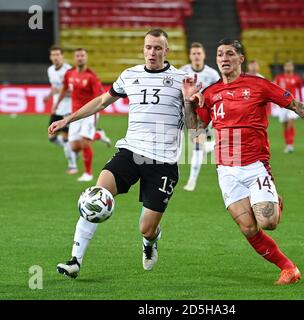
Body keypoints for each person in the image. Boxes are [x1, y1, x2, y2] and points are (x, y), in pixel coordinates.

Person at [48, 29, 201, 278]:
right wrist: (69, 118)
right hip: (130, 151)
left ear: (167, 51)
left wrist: (187, 100)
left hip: (163, 161)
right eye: (148, 47)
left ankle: (150, 243)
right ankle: (75, 260)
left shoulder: (182, 80)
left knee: (146, 228)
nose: (152, 52)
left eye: (158, 48)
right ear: (143, 49)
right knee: (95, 196)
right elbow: (100, 102)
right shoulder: (130, 75)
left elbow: (195, 129)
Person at [184, 39, 304, 285]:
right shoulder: (211, 93)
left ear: (240, 59)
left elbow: (293, 104)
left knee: (268, 222)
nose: (224, 58)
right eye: (220, 54)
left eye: (230, 53)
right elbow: (195, 131)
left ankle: (274, 200)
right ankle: (288, 268)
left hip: (255, 166)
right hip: (226, 170)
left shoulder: (258, 85)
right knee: (249, 228)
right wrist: (188, 102)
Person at [54, 48, 112, 182]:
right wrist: (57, 103)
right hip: (75, 114)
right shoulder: (69, 74)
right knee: (74, 147)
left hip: (89, 113)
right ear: (74, 58)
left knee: (85, 143)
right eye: (77, 56)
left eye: (82, 55)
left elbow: (100, 97)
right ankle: (99, 135)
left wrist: (97, 112)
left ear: (86, 58)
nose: (80, 58)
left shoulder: (91, 77)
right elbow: (64, 89)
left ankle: (88, 173)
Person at [180, 42, 220, 191]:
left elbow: (218, 94)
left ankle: (191, 181)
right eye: (194, 53)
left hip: (205, 116)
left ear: (203, 55)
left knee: (197, 145)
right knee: (199, 144)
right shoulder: (183, 72)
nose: (196, 56)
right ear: (190, 56)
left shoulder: (212, 74)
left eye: (199, 53)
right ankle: (212, 146)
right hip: (189, 115)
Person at [45, 45, 78, 175]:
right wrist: (48, 96)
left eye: (58, 54)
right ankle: (72, 151)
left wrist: (60, 91)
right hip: (57, 108)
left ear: (62, 56)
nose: (56, 57)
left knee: (65, 138)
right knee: (51, 137)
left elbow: (72, 90)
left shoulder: (69, 70)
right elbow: (54, 87)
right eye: (53, 55)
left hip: (68, 109)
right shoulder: (50, 70)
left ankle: (72, 166)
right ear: (50, 57)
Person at [274, 60, 304, 153]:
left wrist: (301, 102)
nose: (288, 68)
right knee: (285, 125)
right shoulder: (279, 78)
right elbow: (275, 90)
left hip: (293, 104)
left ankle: (290, 144)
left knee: (291, 123)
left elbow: (300, 90)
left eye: (290, 66)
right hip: (282, 105)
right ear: (284, 67)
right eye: (287, 66)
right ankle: (287, 144)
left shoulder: (297, 78)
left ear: (293, 67)